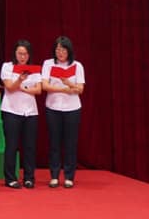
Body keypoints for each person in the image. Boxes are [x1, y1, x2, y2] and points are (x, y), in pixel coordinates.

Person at [41, 36, 85, 189]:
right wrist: (63, 89)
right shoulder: (48, 64)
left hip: (72, 108)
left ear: (69, 51)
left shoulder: (77, 66)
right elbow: (45, 86)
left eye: (63, 50)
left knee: (70, 143)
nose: (60, 53)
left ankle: (69, 176)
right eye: (58, 49)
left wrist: (68, 83)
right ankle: (54, 175)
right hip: (53, 107)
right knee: (54, 142)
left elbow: (80, 89)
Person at [1, 40, 42, 189]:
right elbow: (10, 87)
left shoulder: (34, 69)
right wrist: (20, 80)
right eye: (20, 53)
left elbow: (38, 90)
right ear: (15, 53)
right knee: (11, 145)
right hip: (11, 110)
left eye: (25, 54)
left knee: (29, 146)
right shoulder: (7, 67)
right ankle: (10, 178)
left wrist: (23, 88)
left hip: (30, 111)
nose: (22, 57)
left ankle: (29, 178)